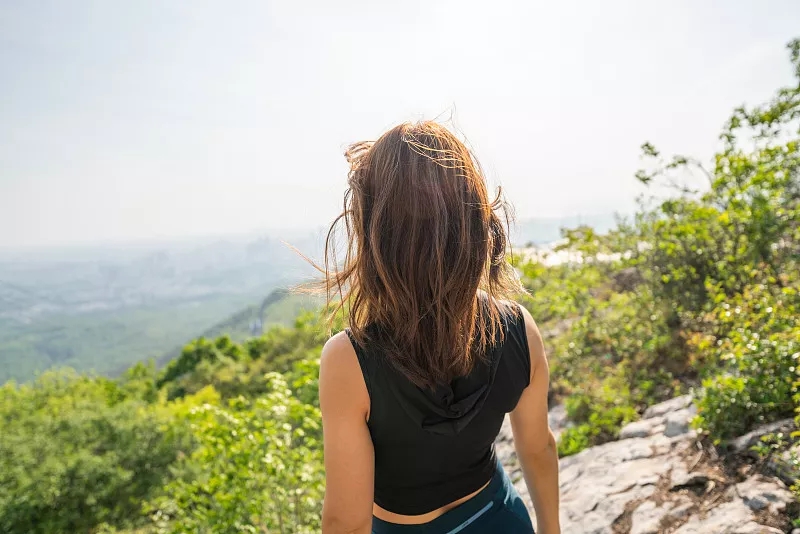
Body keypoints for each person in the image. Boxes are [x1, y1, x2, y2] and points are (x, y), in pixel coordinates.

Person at [318, 121, 560, 534]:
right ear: (474, 221)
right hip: (501, 516)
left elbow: (348, 522)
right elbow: (538, 447)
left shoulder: (350, 359)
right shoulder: (518, 327)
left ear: (377, 235)